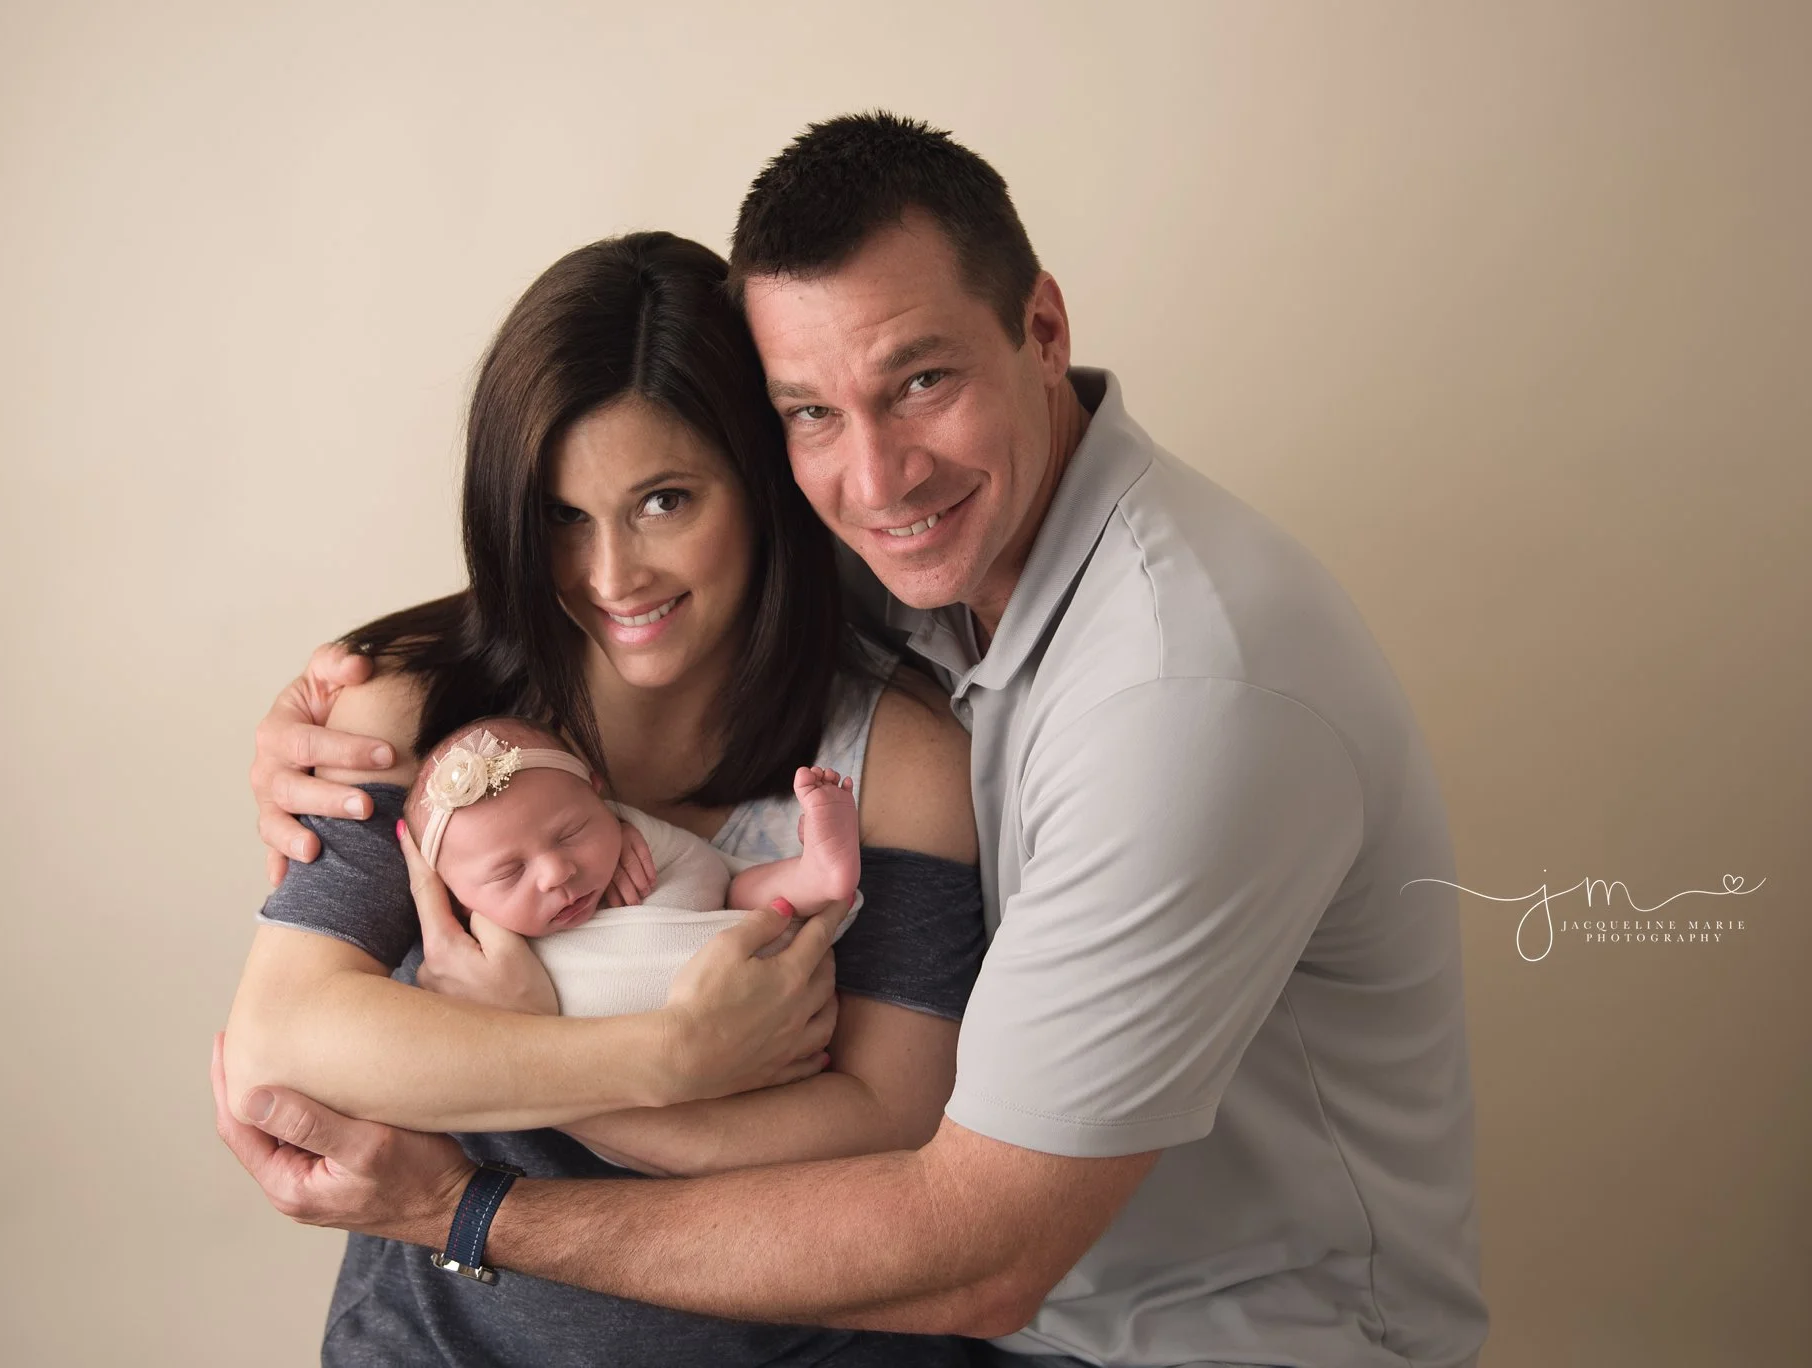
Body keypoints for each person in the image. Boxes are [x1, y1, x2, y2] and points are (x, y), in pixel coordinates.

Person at [220, 113, 1489, 1368]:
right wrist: (353, 692)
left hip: (1194, 1338)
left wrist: (469, 1202)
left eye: (921, 381)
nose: (876, 480)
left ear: (1043, 331)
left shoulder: (1175, 701)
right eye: (811, 411)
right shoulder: (896, 556)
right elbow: (633, 591)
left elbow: (960, 1226)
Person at [221, 229, 986, 1366]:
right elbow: (285, 1040)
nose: (612, 575)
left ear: (760, 483)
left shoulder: (896, 761)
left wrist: (545, 1075)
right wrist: (667, 1060)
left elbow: (892, 1128)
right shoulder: (413, 716)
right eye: (561, 517)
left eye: (664, 501)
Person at [401, 714, 864, 1017]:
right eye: (509, 872)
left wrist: (621, 826)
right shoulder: (477, 959)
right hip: (670, 1043)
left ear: (598, 793)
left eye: (570, 833)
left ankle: (814, 874)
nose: (556, 872)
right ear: (456, 900)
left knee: (746, 892)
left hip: (743, 936)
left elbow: (709, 874)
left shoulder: (625, 837)